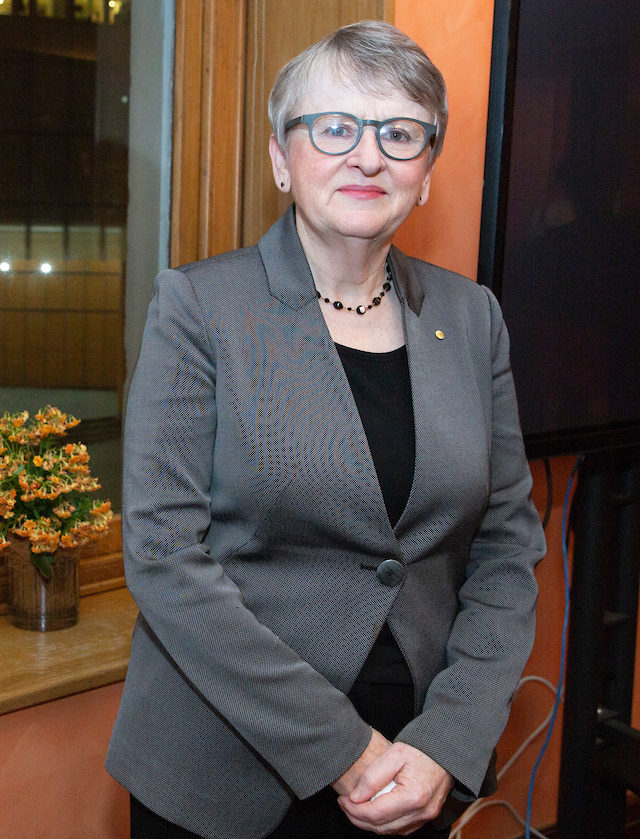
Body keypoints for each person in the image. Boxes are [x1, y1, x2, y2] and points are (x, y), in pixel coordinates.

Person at [105, 21, 546, 839]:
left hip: (414, 767)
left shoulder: (472, 317)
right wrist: (344, 749)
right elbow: (163, 554)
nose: (368, 157)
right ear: (282, 158)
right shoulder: (201, 308)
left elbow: (507, 549)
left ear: (425, 171)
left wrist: (449, 739)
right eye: (336, 127)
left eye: (400, 134)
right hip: (227, 773)